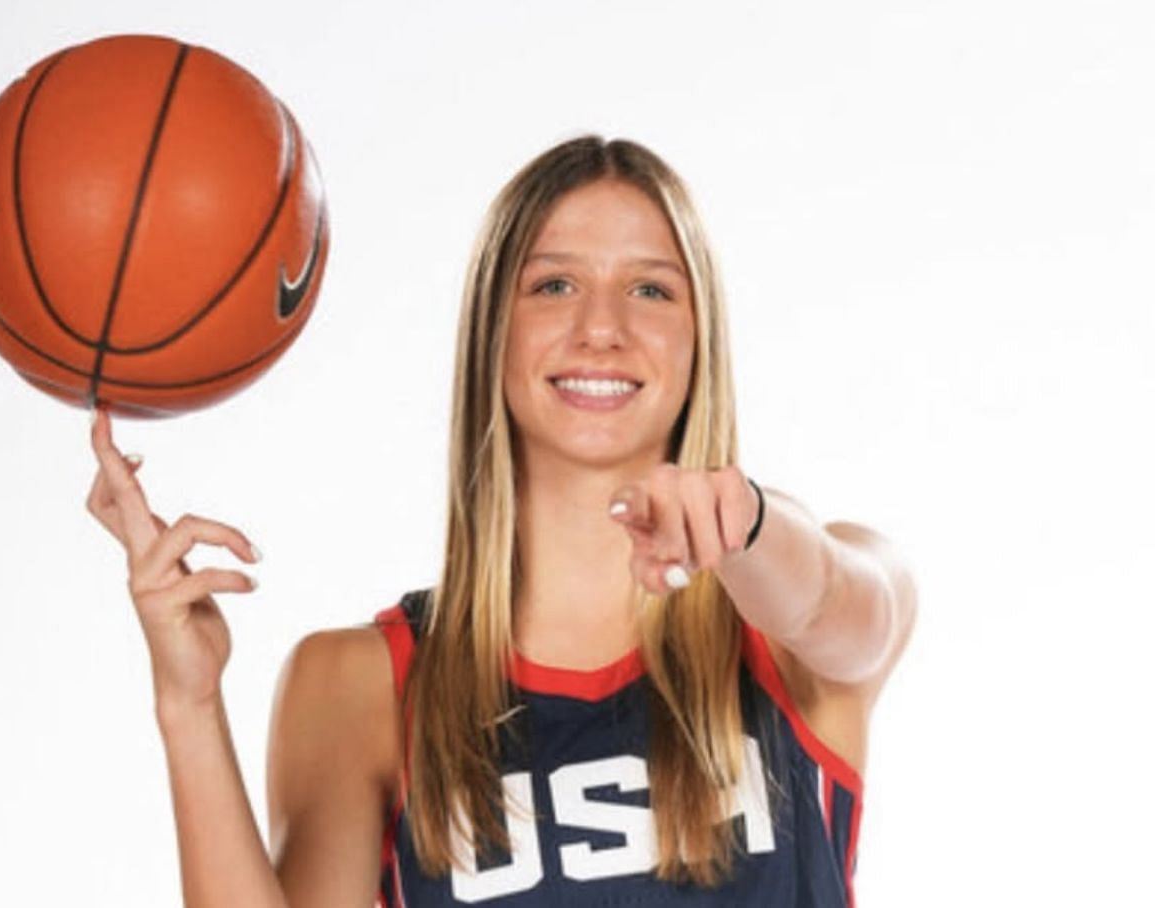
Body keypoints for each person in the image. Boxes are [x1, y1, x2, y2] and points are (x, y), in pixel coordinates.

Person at [85, 134, 916, 907]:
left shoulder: (797, 637)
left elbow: (840, 611)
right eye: (554, 284)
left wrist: (749, 524)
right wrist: (188, 705)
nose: (602, 328)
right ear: (494, 331)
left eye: (651, 289)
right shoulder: (363, 686)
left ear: (701, 338)